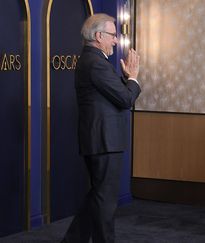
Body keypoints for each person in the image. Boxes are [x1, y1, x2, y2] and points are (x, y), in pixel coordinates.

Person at [61, 13, 141, 243]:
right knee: (105, 200)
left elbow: (115, 95)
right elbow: (125, 99)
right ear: (98, 36)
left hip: (100, 140)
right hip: (104, 141)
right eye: (113, 35)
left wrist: (126, 81)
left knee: (98, 196)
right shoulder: (96, 62)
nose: (116, 41)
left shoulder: (94, 60)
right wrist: (134, 78)